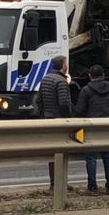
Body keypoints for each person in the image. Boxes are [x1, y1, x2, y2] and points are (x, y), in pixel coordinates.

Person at [75, 64, 109, 194]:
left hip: (91, 127)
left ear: (90, 76)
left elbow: (80, 111)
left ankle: (92, 187)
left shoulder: (86, 90)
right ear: (103, 75)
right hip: (107, 127)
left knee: (91, 158)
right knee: (107, 157)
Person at [36, 55, 73, 189]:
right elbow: (64, 103)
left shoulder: (45, 79)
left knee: (53, 154)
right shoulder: (61, 82)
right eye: (66, 64)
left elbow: (38, 100)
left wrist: (44, 114)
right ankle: (61, 183)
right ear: (64, 66)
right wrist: (68, 118)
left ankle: (53, 183)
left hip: (48, 119)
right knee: (62, 152)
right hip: (59, 121)